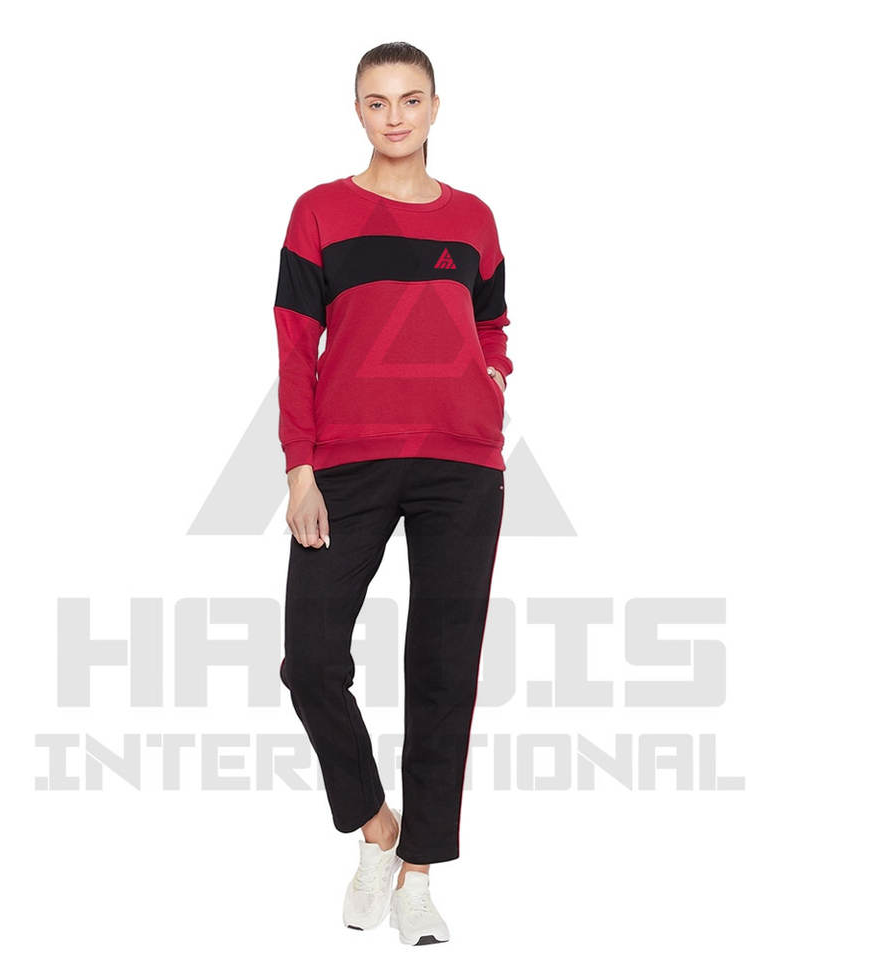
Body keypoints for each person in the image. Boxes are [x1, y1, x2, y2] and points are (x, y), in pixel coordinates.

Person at [274, 41, 512, 945]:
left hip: (461, 462)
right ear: (359, 111)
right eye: (378, 102)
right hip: (347, 462)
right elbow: (294, 343)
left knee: (445, 671)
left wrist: (494, 376)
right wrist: (300, 465)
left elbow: (493, 320)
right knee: (310, 660)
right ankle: (378, 826)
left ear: (435, 107)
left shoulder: (475, 218)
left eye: (411, 99)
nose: (395, 116)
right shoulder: (320, 211)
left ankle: (418, 873)